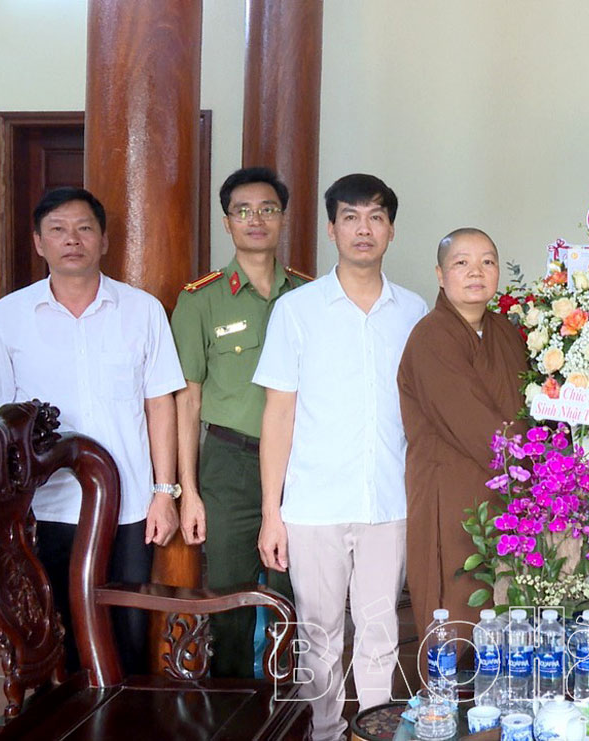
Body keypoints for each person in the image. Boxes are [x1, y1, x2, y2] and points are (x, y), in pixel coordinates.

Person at [0, 187, 185, 675]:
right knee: (55, 627)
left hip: (129, 505)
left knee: (128, 626)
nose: (73, 239)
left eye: (85, 228)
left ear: (104, 240)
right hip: (44, 506)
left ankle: (124, 719)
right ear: (39, 243)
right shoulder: (8, 317)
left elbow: (160, 404)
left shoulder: (142, 310)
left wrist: (163, 493)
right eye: (58, 230)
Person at [253, 174, 427, 739]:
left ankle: (373, 731)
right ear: (331, 229)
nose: (363, 228)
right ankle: (325, 731)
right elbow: (278, 415)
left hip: (389, 499)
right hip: (314, 504)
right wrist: (271, 512)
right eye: (350, 216)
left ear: (392, 230)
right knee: (319, 632)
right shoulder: (297, 310)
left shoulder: (414, 310)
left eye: (376, 216)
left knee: (379, 633)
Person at [170, 167, 311, 678]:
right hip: (228, 463)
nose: (256, 219)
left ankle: (290, 700)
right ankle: (234, 705)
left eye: (268, 209)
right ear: (226, 222)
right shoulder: (200, 299)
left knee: (294, 588)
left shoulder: (308, 296)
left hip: (299, 463)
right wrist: (190, 489)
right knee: (228, 589)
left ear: (283, 219)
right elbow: (187, 400)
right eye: (243, 210)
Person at [397, 228, 528, 646]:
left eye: (487, 261)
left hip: (510, 494)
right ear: (440, 274)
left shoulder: (507, 332)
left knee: (508, 616)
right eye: (462, 263)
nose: (476, 271)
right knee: (455, 613)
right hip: (453, 498)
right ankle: (447, 708)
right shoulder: (431, 336)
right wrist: (538, 466)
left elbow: (532, 408)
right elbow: (474, 423)